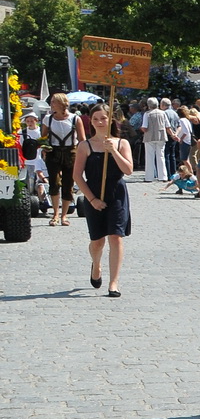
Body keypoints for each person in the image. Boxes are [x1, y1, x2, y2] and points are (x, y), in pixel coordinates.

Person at [75, 103, 133, 297]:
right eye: (95, 119)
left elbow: (128, 170)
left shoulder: (121, 143)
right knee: (97, 242)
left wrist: (113, 151)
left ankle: (114, 283)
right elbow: (77, 176)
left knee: (116, 237)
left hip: (117, 194)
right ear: (90, 122)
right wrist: (91, 200)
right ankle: (96, 265)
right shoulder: (85, 145)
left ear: (111, 120)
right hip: (94, 195)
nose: (100, 122)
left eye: (103, 118)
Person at [43, 92, 83, 227]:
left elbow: (82, 140)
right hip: (53, 152)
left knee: (68, 184)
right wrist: (43, 147)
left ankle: (64, 215)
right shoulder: (47, 119)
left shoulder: (75, 119)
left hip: (71, 152)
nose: (51, 104)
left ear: (61, 103)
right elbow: (43, 138)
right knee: (54, 183)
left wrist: (85, 156)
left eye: (53, 101)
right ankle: (55, 214)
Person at [142, 100, 168, 182]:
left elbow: (145, 127)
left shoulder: (147, 114)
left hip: (150, 137)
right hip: (161, 136)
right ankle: (163, 176)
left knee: (149, 156)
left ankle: (149, 177)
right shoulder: (163, 113)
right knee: (161, 156)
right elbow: (167, 126)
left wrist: (142, 129)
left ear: (149, 105)